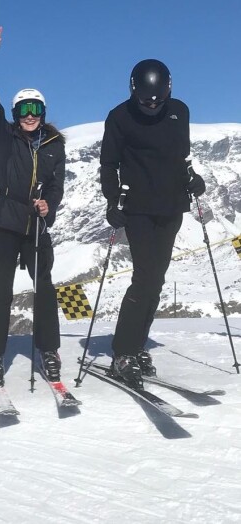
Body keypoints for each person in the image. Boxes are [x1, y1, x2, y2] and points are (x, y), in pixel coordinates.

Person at [0, 27, 66, 386]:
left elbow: (57, 184)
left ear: (43, 111)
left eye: (35, 109)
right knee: (3, 291)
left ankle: (49, 350)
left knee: (45, 288)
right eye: (24, 109)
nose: (29, 115)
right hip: (6, 221)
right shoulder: (5, 137)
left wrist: (48, 207)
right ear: (15, 113)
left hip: (36, 225)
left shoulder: (55, 144)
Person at [100, 58, 206, 388]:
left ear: (168, 90)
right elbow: (108, 164)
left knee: (156, 280)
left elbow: (181, 157)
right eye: (146, 99)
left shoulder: (180, 112)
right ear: (134, 92)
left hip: (172, 206)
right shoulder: (119, 117)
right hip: (138, 209)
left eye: (157, 98)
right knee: (145, 277)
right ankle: (123, 352)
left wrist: (194, 180)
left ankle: (137, 345)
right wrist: (111, 201)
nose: (152, 104)